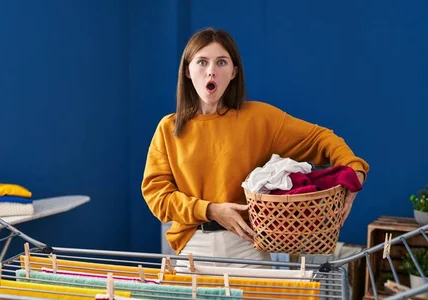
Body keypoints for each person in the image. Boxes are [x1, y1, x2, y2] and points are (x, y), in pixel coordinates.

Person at [141, 27, 369, 267]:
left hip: (248, 246)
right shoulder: (169, 128)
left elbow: (320, 138)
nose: (211, 71)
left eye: (221, 62)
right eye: (202, 62)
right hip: (193, 247)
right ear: (187, 70)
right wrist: (210, 210)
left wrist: (355, 170)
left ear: (233, 72)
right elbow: (157, 196)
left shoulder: (259, 119)